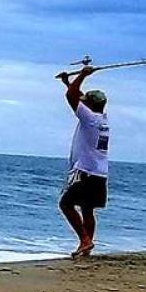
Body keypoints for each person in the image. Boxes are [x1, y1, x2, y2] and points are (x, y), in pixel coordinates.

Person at [56, 66, 109, 258]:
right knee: (87, 209)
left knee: (65, 204)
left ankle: (85, 240)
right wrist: (68, 82)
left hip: (86, 171)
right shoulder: (102, 119)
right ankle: (86, 246)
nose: (83, 102)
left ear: (91, 105)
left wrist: (83, 75)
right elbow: (77, 95)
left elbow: (71, 96)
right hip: (99, 172)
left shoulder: (90, 119)